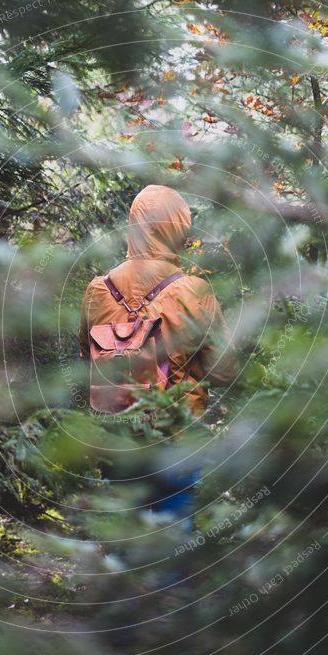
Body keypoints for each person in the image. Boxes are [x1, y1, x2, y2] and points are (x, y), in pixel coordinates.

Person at [78, 184, 238, 525]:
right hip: (175, 439)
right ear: (178, 227)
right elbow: (224, 370)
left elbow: (87, 361)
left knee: (123, 545)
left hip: (116, 438)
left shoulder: (97, 290)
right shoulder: (194, 290)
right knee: (171, 547)